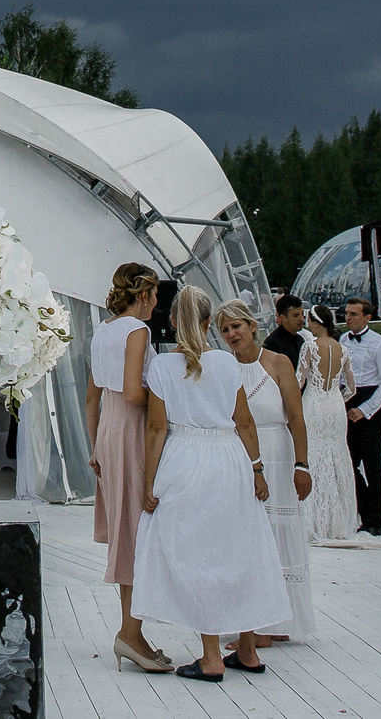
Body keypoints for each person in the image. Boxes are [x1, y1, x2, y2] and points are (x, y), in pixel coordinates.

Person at [129, 286, 287, 681]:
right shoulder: (227, 363)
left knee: (198, 553)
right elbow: (245, 421)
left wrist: (150, 482)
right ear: (207, 323)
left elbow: (156, 428)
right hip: (230, 458)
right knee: (240, 546)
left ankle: (212, 656)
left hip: (186, 459)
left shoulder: (164, 367)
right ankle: (247, 650)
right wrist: (257, 468)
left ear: (173, 322)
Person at [217, 300, 315, 642]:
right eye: (225, 329)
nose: (232, 334)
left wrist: (301, 464)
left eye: (236, 327)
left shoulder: (278, 362)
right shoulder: (222, 368)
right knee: (248, 536)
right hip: (240, 457)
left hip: (277, 450)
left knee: (279, 533)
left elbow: (296, 417)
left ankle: (281, 621)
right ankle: (253, 622)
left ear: (252, 326)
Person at [84, 264, 166, 671]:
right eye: (155, 295)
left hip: (109, 432)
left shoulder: (103, 330)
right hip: (133, 430)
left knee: (128, 529)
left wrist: (95, 444)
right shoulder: (137, 331)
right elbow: (135, 392)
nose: (157, 303)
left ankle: (131, 630)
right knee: (136, 530)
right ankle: (130, 634)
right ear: (145, 293)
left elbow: (90, 399)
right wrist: (171, 401)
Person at [299, 306, 360, 545]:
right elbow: (353, 388)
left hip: (313, 403)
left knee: (313, 454)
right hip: (335, 405)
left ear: (316, 323)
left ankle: (313, 520)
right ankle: (338, 521)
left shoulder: (310, 347)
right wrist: (337, 399)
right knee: (336, 457)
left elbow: (299, 380)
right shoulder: (342, 349)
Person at [337, 298, 381, 535]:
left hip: (371, 402)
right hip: (348, 398)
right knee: (349, 462)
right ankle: (364, 512)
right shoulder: (342, 340)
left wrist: (365, 409)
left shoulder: (379, 344)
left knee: (372, 465)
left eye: (353, 314)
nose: (348, 318)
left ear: (367, 317)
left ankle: (376, 521)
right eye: (347, 313)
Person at [263, 295, 306, 369]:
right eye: (295, 315)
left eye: (302, 314)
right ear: (283, 318)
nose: (301, 319)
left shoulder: (300, 340)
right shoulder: (272, 343)